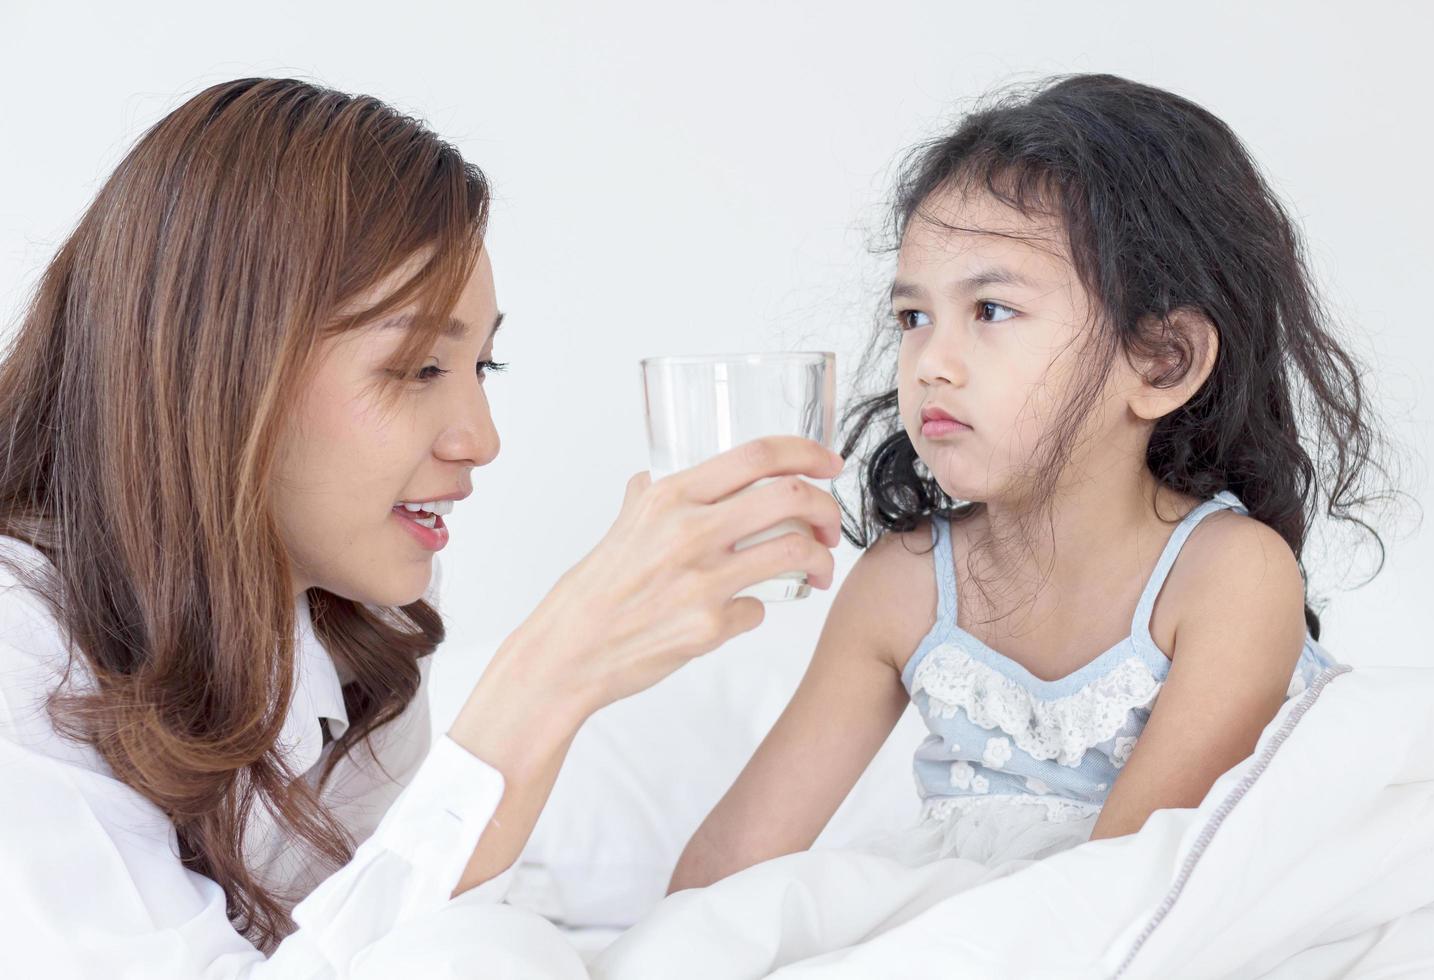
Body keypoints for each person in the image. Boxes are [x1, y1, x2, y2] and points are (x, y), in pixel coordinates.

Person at [0, 77, 843, 976]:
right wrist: (546, 678)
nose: (479, 440)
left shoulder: (362, 612)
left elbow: (382, 930)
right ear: (221, 369)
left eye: (484, 364)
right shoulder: (20, 645)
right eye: (415, 367)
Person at [622, 73, 1390, 974]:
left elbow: (1124, 903)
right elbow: (728, 873)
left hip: (1148, 931)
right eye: (913, 316)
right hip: (991, 928)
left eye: (991, 310)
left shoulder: (1229, 576)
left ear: (1162, 360)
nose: (930, 363)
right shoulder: (907, 586)